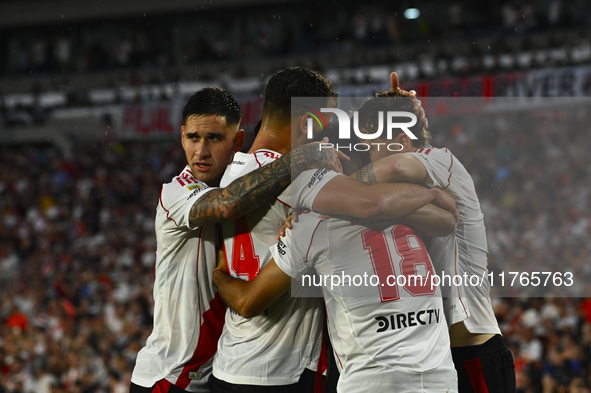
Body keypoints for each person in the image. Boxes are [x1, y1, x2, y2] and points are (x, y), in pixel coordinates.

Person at [210, 67, 459, 393]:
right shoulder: (305, 182)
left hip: (234, 361)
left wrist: (218, 275)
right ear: (306, 123)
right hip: (284, 370)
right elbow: (379, 204)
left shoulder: (232, 176)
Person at [129, 87, 346, 393]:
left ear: (238, 141)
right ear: (181, 136)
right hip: (170, 376)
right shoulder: (175, 192)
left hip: (216, 373)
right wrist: (300, 158)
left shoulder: (247, 183)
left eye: (214, 139)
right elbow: (228, 204)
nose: (201, 151)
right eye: (193, 137)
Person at [348, 76, 517, 393]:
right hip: (437, 358)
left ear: (400, 139)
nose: (365, 154)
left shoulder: (443, 161)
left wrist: (326, 191)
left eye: (369, 145)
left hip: (475, 350)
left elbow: (395, 166)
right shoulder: (401, 197)